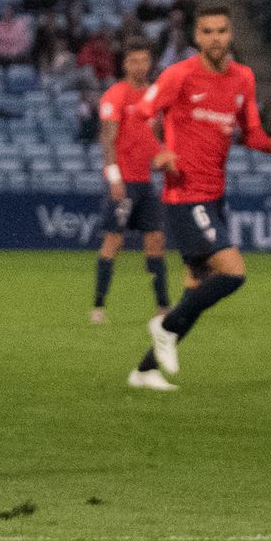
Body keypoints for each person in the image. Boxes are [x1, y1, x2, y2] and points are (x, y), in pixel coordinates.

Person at [127, 7, 271, 390]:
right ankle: (163, 326)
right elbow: (140, 115)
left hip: (214, 196)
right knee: (233, 272)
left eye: (222, 30)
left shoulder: (243, 78)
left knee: (196, 291)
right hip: (184, 195)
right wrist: (157, 152)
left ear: (230, 34)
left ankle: (146, 371)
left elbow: (249, 132)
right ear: (196, 37)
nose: (216, 37)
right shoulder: (180, 75)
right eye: (207, 31)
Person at [92, 39, 169, 326]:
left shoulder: (153, 96)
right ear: (125, 64)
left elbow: (151, 137)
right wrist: (113, 176)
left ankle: (163, 308)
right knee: (113, 241)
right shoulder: (115, 95)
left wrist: (163, 157)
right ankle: (98, 306)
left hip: (145, 181)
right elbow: (108, 139)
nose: (140, 66)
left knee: (156, 241)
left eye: (144, 61)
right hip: (123, 181)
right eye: (134, 61)